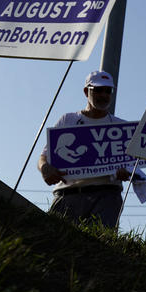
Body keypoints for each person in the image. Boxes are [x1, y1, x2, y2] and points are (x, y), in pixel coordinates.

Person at [37, 70, 131, 227]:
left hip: (107, 196)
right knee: (55, 245)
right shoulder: (69, 120)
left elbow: (132, 166)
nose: (104, 95)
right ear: (86, 91)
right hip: (67, 195)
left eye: (108, 91)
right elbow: (44, 157)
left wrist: (126, 171)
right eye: (98, 90)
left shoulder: (121, 127)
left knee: (99, 247)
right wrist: (45, 168)